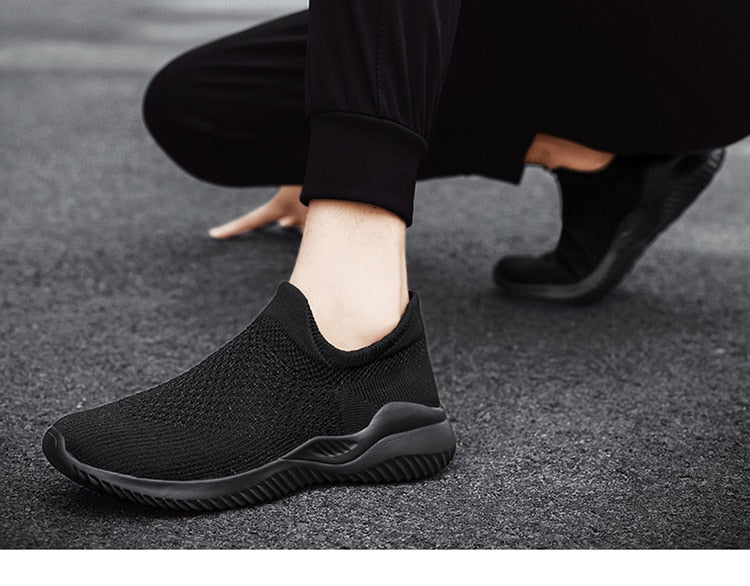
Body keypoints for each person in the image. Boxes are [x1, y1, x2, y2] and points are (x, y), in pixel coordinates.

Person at [43, 1, 750, 510]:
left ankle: (349, 326)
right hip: (549, 37)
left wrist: (354, 172)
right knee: (198, 105)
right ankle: (601, 162)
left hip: (698, 32)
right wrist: (338, 148)